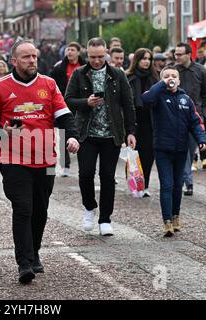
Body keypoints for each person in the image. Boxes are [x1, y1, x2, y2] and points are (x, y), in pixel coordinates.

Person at [0, 40, 80, 284]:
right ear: (13, 61)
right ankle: (24, 263)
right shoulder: (1, 87)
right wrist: (3, 132)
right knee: (23, 208)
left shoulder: (49, 84)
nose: (32, 60)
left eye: (34, 56)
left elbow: (64, 116)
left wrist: (74, 137)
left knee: (41, 210)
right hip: (14, 158)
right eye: (26, 57)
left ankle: (34, 251)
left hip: (45, 158)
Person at [65, 37, 136, 236]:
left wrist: (131, 131)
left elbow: (127, 104)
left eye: (100, 57)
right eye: (92, 57)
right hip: (86, 133)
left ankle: (105, 218)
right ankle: (89, 208)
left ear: (106, 53)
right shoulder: (79, 73)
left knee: (107, 177)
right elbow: (67, 100)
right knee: (85, 174)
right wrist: (85, 102)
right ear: (86, 55)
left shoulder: (117, 75)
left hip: (111, 135)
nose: (96, 61)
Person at [141, 66, 206, 237]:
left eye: (174, 76)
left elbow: (194, 122)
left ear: (179, 80)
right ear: (161, 79)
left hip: (181, 150)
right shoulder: (157, 96)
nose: (171, 78)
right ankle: (167, 221)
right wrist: (161, 84)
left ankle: (176, 216)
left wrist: (201, 140)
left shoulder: (186, 99)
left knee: (178, 186)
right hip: (163, 149)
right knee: (167, 185)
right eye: (167, 76)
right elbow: (146, 100)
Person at [174, 43, 206, 196]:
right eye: (175, 54)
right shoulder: (172, 70)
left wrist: (204, 114)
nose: (176, 57)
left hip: (195, 117)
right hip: (175, 117)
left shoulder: (200, 70)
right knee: (182, 151)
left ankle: (184, 180)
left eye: (179, 54)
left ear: (189, 54)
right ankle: (188, 182)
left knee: (190, 150)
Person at [126, 48, 159, 197]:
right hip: (134, 120)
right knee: (134, 155)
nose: (146, 61)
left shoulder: (154, 78)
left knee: (148, 155)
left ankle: (144, 185)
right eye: (143, 58)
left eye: (149, 59)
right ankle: (134, 183)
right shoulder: (129, 77)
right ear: (137, 60)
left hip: (150, 121)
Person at [50, 42, 85, 177]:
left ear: (78, 52)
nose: (69, 52)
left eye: (72, 50)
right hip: (64, 105)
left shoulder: (85, 66)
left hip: (82, 104)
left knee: (81, 135)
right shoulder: (59, 68)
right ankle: (65, 165)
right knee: (64, 135)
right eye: (67, 50)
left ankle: (84, 164)